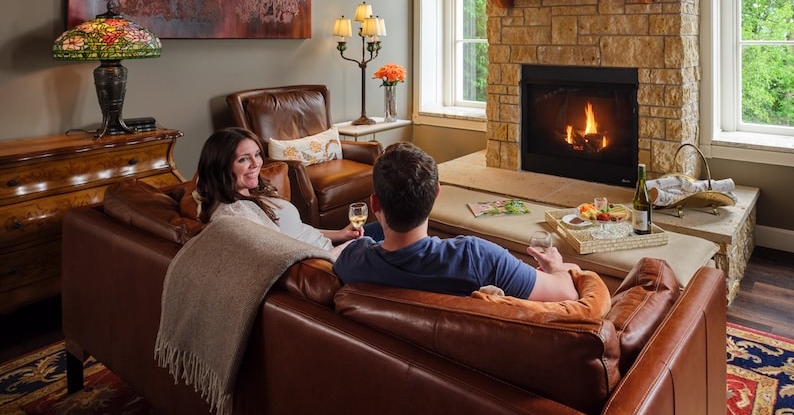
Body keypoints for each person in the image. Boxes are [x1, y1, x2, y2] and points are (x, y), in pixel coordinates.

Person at [335, 142, 581, 301]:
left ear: (374, 204)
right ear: (436, 194)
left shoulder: (351, 260)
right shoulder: (476, 258)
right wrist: (557, 268)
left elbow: (329, 251)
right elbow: (567, 294)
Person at [194, 127, 375, 260]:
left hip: (329, 247)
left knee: (387, 226)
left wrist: (340, 235)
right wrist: (343, 249)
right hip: (328, 260)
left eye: (257, 154)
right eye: (243, 159)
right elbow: (284, 259)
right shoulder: (237, 216)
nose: (256, 164)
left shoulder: (251, 193)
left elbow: (297, 230)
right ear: (221, 167)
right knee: (388, 242)